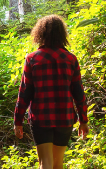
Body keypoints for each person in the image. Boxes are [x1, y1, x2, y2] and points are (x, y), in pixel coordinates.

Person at [14, 14, 89, 169]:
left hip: (41, 118)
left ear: (40, 33)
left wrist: (18, 120)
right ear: (62, 33)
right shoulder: (70, 59)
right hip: (65, 117)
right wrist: (83, 120)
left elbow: (25, 93)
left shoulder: (32, 59)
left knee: (45, 164)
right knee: (57, 164)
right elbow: (78, 93)